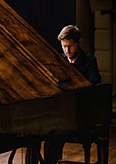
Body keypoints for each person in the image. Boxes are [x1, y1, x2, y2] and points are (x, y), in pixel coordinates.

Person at [44, 25, 101, 164]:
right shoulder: (60, 60)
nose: (67, 50)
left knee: (57, 131)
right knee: (47, 130)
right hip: (63, 113)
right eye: (64, 46)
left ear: (79, 42)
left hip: (83, 115)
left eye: (70, 46)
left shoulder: (89, 60)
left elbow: (94, 83)